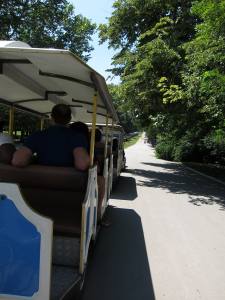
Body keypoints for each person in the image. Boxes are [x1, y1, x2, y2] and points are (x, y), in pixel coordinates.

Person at [12, 104, 90, 171]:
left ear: (51, 118)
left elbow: (18, 161)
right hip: (68, 184)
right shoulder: (78, 137)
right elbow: (82, 165)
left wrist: (32, 159)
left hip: (39, 182)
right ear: (69, 119)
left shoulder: (37, 136)